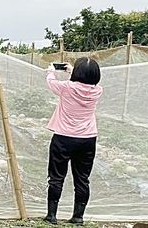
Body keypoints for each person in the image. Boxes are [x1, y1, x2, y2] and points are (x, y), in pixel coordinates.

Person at [43, 57, 103, 225]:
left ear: (77, 73)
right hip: (88, 139)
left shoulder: (67, 88)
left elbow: (51, 82)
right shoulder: (97, 91)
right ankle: (78, 216)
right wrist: (72, 70)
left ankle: (52, 216)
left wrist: (51, 71)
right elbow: (84, 83)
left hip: (63, 138)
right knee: (82, 179)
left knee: (56, 177)